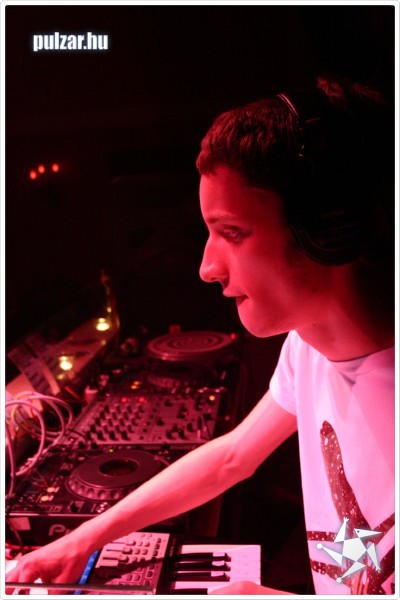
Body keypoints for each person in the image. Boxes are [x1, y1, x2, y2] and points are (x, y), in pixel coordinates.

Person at [6, 75, 395, 595]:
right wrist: (82, 540)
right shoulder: (308, 349)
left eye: (232, 233)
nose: (207, 268)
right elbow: (232, 457)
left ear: (330, 228)